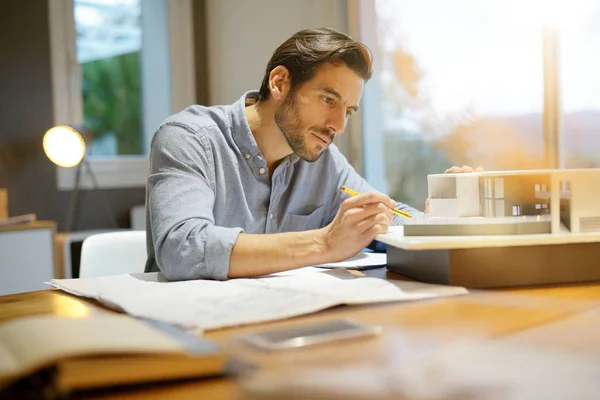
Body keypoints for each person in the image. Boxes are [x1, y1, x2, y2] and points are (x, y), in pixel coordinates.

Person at [145, 27, 476, 281]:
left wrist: (436, 222)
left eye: (348, 110)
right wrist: (325, 243)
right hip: (186, 337)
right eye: (328, 100)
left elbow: (380, 216)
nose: (338, 126)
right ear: (279, 82)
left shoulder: (323, 161)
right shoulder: (189, 138)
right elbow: (181, 248)